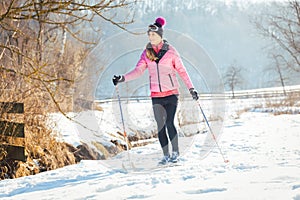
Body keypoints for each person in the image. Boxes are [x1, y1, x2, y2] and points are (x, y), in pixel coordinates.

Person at [112, 17, 198, 165]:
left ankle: (175, 153)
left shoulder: (171, 52)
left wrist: (191, 88)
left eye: (153, 34)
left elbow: (182, 71)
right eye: (149, 35)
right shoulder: (147, 53)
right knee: (160, 126)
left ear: (160, 35)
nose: (150, 37)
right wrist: (122, 78)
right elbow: (138, 71)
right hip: (156, 95)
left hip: (171, 93)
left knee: (170, 122)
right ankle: (165, 155)